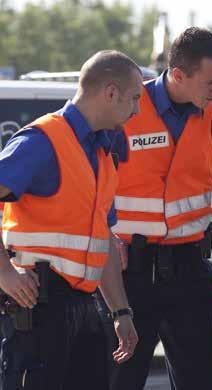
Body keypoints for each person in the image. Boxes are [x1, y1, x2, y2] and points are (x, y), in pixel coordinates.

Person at [109, 27, 212, 390]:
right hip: (130, 275)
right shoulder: (126, 108)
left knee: (201, 381)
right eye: (209, 83)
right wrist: (106, 238)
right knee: (119, 380)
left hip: (189, 271)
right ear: (178, 75)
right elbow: (90, 182)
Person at [0, 50, 142, 390]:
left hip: (83, 307)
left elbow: (102, 238)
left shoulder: (101, 152)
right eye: (134, 98)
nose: (137, 109)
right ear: (110, 92)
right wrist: (4, 273)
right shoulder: (42, 141)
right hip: (35, 306)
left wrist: (121, 312)